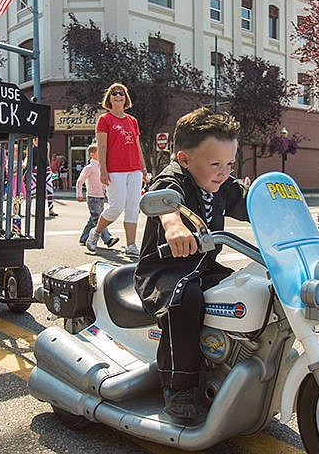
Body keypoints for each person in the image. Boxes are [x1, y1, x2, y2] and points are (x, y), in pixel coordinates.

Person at [134, 107, 248, 422]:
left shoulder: (223, 183)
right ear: (185, 159)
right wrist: (173, 225)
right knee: (185, 300)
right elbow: (162, 195)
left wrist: (281, 211)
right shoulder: (175, 178)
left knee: (250, 290)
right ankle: (179, 384)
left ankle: (231, 361)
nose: (224, 172)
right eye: (215, 164)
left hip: (205, 268)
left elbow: (250, 203)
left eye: (230, 163)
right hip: (164, 271)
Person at [85, 83, 148, 257]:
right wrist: (103, 170)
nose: (118, 95)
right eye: (114, 93)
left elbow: (137, 146)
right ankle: (96, 232)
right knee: (117, 206)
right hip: (115, 170)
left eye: (121, 93)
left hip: (134, 168)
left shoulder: (132, 121)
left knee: (132, 207)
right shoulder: (104, 119)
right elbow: (102, 147)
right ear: (110, 98)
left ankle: (131, 245)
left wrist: (143, 169)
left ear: (125, 97)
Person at [76, 143, 119, 248]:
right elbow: (80, 181)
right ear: (92, 155)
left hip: (100, 197)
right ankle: (107, 239)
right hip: (92, 197)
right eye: (99, 152)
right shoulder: (89, 167)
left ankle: (83, 238)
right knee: (98, 219)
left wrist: (106, 193)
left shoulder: (102, 167)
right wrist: (79, 194)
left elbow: (104, 183)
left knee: (93, 219)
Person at [29, 137, 57, 217]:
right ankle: (29, 209)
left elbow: (47, 157)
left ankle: (51, 210)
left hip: (46, 168)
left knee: (49, 189)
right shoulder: (31, 144)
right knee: (32, 190)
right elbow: (29, 157)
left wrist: (50, 169)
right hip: (35, 168)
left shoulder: (47, 144)